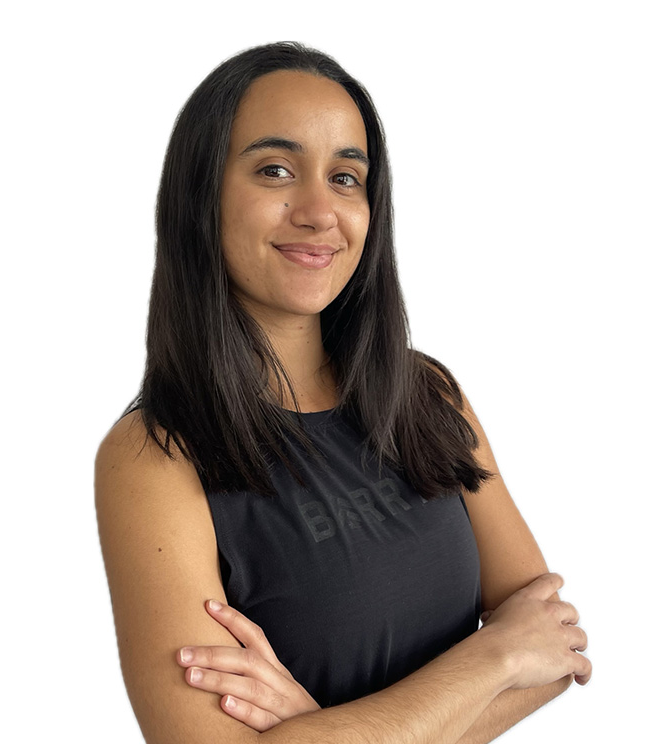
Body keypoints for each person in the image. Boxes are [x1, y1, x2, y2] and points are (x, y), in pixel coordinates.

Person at [95, 41, 590, 744]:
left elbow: (556, 648)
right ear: (202, 195)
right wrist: (497, 656)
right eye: (275, 170)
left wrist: (321, 732)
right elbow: (524, 653)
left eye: (346, 178)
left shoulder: (427, 396)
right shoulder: (153, 458)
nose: (319, 211)